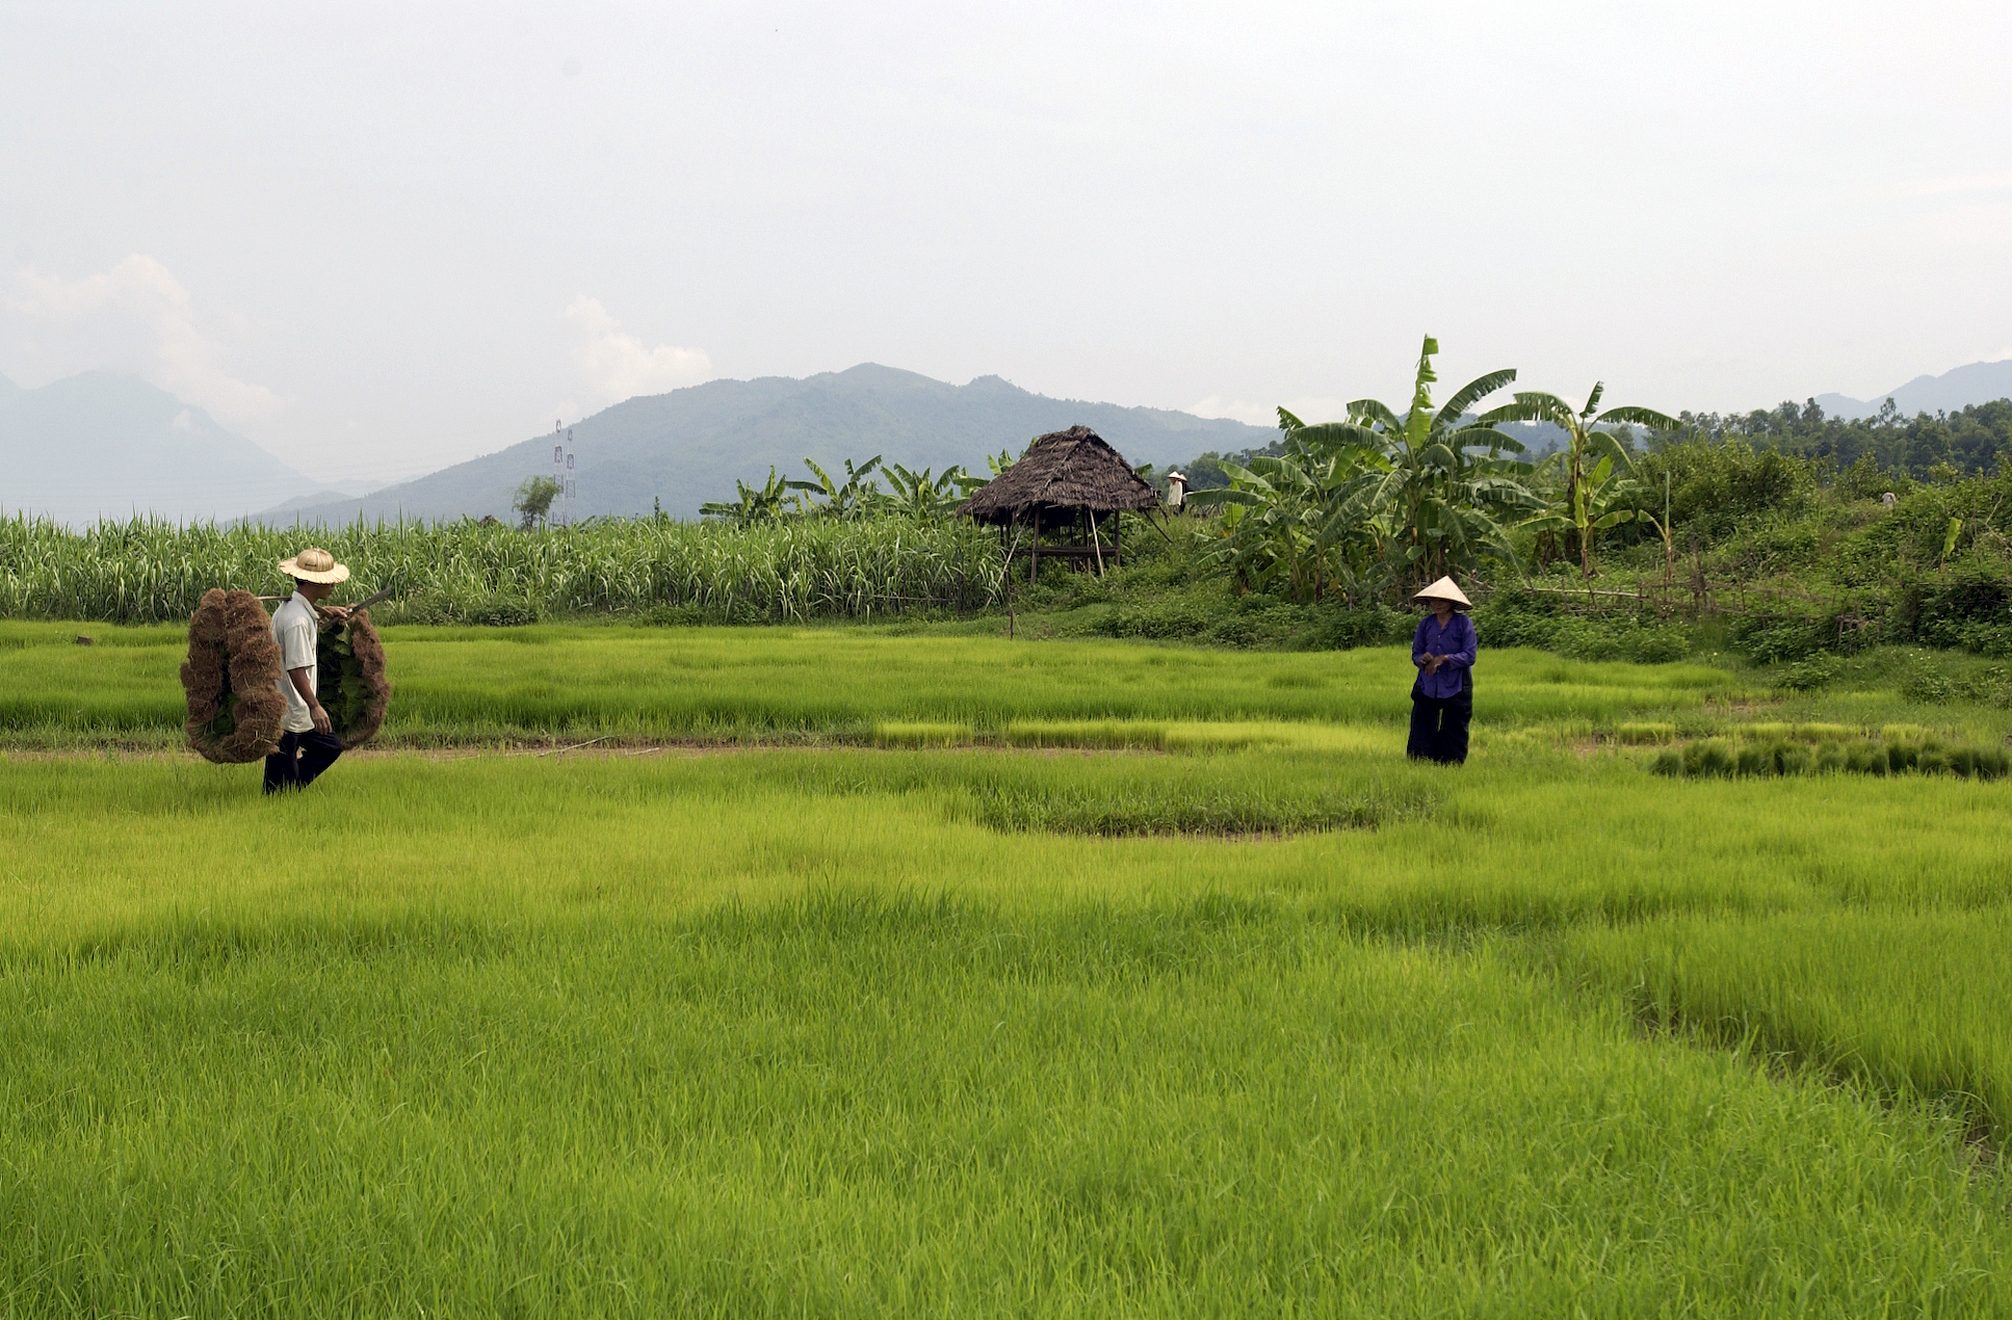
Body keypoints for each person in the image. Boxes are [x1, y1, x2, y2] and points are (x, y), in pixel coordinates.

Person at [264, 547, 351, 794]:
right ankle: (284, 794)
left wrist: (324, 613)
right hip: (291, 709)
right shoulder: (297, 620)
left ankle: (287, 790)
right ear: (313, 581)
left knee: (329, 746)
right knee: (280, 782)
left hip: (293, 708)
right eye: (328, 581)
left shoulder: (295, 609)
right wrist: (315, 706)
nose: (333, 585)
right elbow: (296, 668)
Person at [1407, 576, 1476, 765]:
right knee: (1422, 725)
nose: (1437, 604)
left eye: (1442, 600)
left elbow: (1470, 656)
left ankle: (1450, 764)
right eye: (1434, 600)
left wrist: (1445, 658)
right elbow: (1416, 653)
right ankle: (1421, 762)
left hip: (1456, 684)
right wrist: (1423, 659)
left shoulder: (1464, 624)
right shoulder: (1425, 624)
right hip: (1427, 683)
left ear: (1451, 602)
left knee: (1454, 727)